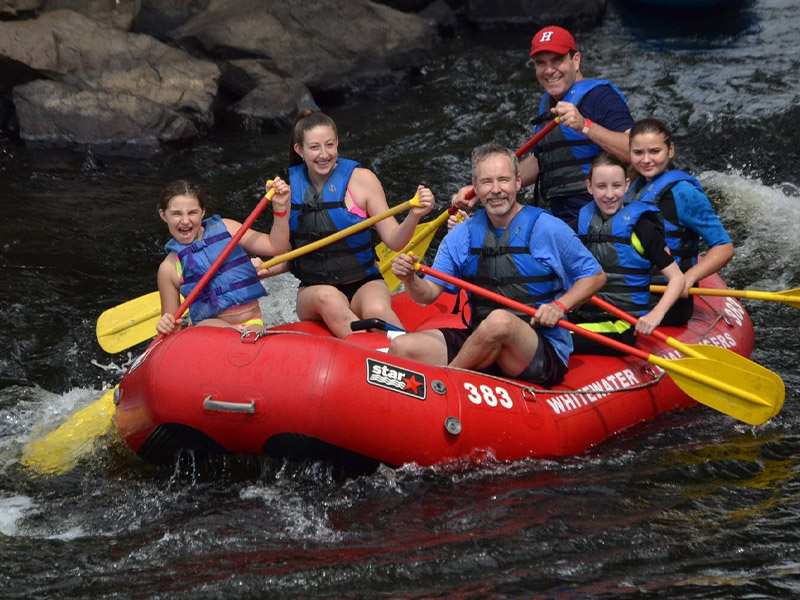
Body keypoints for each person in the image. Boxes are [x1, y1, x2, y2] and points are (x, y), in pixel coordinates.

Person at [390, 143, 606, 387]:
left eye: (503, 180)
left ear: (517, 182)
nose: (496, 190)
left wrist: (559, 305)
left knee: (499, 321)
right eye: (486, 182)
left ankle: (448, 383)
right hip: (482, 342)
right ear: (475, 187)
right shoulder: (462, 235)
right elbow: (427, 296)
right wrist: (409, 278)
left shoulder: (547, 228)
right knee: (402, 346)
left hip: (537, 349)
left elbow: (595, 276)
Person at [453, 25, 634, 223]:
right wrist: (486, 187)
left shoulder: (601, 97)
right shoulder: (547, 103)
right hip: (560, 218)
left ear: (576, 61)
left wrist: (585, 125)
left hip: (600, 216)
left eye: (557, 60)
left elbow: (633, 151)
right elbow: (541, 161)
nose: (549, 70)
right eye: (541, 63)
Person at [285, 110, 434, 338]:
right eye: (315, 147)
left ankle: (416, 356)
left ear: (338, 144)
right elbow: (285, 253)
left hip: (364, 281)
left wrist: (414, 215)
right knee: (330, 298)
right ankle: (370, 355)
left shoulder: (362, 180)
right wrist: (256, 269)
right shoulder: (287, 191)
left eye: (330, 145)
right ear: (300, 150)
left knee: (377, 311)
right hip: (313, 290)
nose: (324, 154)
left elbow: (395, 241)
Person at [570, 153, 685, 355]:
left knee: (553, 337)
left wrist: (656, 315)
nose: (609, 194)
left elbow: (677, 278)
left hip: (621, 324)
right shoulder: (583, 223)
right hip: (584, 315)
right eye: (601, 186)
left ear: (626, 185)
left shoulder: (642, 228)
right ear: (589, 187)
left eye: (616, 186)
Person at [625, 118, 734, 326]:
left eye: (654, 151)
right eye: (638, 153)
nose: (646, 160)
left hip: (668, 298)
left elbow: (724, 247)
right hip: (634, 290)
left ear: (670, 150)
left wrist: (689, 277)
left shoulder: (683, 192)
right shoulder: (633, 189)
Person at [155, 178, 291, 336]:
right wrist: (166, 324)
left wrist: (280, 208)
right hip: (208, 331)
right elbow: (173, 328)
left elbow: (276, 246)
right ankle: (235, 337)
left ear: (203, 212)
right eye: (176, 214)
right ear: (163, 215)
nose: (185, 220)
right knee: (214, 328)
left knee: (251, 338)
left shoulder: (228, 229)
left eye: (192, 212)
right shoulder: (168, 268)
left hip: (251, 324)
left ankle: (240, 337)